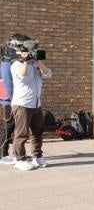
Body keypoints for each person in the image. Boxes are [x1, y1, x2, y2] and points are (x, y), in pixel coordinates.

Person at [10, 39, 52, 171]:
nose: (33, 54)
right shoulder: (16, 64)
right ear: (24, 52)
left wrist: (38, 63)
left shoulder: (36, 65)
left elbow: (48, 74)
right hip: (22, 105)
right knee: (21, 134)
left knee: (37, 132)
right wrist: (26, 61)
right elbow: (22, 76)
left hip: (36, 104)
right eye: (31, 51)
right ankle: (19, 159)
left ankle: (37, 157)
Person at [1, 50, 16, 165]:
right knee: (8, 128)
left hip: (9, 100)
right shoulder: (5, 65)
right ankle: (3, 154)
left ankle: (17, 153)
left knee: (13, 128)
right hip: (9, 101)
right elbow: (7, 84)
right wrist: (13, 100)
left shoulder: (6, 64)